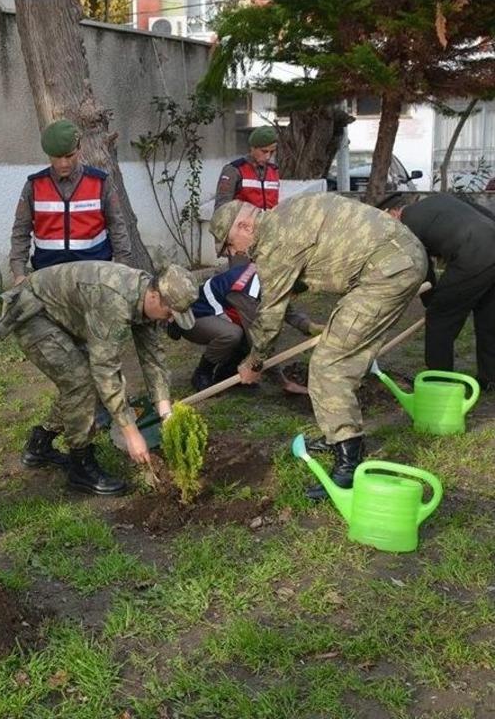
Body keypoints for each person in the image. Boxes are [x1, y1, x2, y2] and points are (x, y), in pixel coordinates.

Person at [209, 196, 427, 500]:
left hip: (385, 274)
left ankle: (349, 465)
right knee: (346, 357)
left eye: (231, 245)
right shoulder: (286, 214)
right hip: (400, 258)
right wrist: (300, 318)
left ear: (245, 226)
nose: (235, 253)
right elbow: (298, 277)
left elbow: (269, 317)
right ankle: (339, 434)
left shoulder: (273, 244)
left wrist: (254, 362)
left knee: (328, 365)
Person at [0, 262, 198, 496]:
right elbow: (106, 372)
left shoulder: (146, 297)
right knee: (82, 384)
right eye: (170, 313)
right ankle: (80, 466)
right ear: (154, 296)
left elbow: (153, 359)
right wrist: (132, 435)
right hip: (34, 314)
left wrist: (166, 414)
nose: (171, 320)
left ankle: (39, 444)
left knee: (81, 386)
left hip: (66, 314)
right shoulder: (115, 301)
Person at [381, 192, 495, 390]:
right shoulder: (437, 200)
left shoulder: (406, 227)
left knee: (439, 320)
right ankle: (490, 379)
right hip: (490, 241)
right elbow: (481, 212)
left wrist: (431, 302)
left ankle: (438, 384)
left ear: (393, 213)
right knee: (488, 316)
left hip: (472, 254)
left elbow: (422, 268)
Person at [9, 119, 136, 284]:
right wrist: (19, 273)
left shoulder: (100, 183)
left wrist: (122, 269)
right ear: (48, 155)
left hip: (95, 275)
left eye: (69, 156)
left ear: (79, 148)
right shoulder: (34, 186)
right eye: (57, 157)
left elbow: (117, 227)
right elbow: (20, 232)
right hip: (48, 276)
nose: (64, 163)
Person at [175, 262, 321, 393]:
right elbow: (258, 339)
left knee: (241, 333)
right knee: (234, 334)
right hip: (194, 318)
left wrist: (310, 327)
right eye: (292, 294)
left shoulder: (268, 276)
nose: (292, 298)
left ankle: (226, 374)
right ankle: (202, 374)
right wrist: (284, 382)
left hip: (215, 315)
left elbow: (286, 310)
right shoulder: (247, 293)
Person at [215, 126, 280, 210]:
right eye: (264, 151)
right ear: (252, 148)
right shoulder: (234, 170)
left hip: (267, 222)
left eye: (272, 152)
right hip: (242, 221)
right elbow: (221, 209)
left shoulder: (274, 171)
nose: (268, 157)